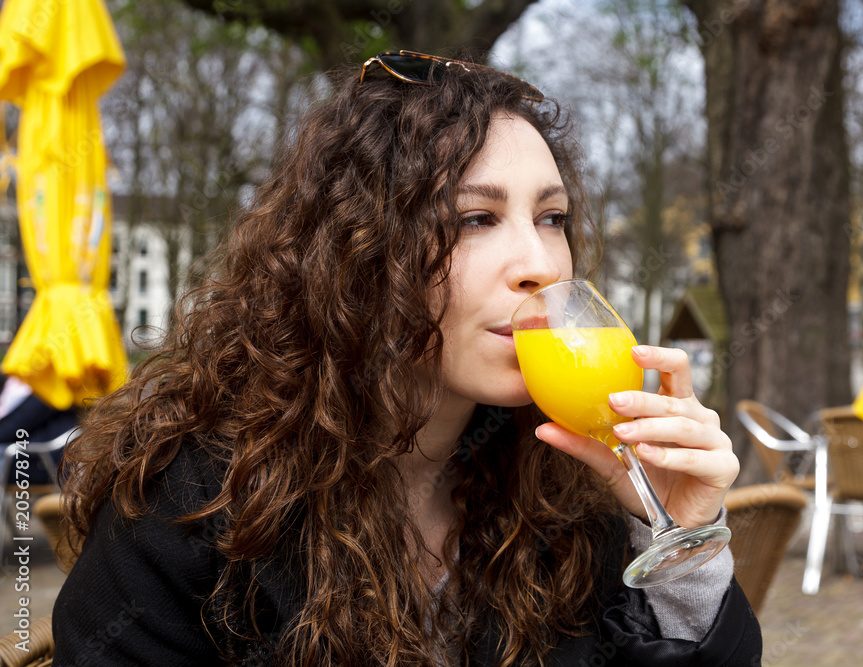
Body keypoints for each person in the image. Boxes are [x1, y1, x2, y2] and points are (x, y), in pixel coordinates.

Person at [52, 51, 761, 666]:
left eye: (552, 218)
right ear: (358, 254)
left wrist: (682, 547)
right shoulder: (196, 498)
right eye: (474, 219)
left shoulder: (568, 488)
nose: (540, 263)